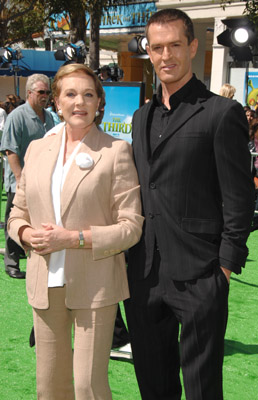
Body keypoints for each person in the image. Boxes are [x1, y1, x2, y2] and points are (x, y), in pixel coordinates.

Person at [125, 8, 255, 400]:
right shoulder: (139, 117)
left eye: (175, 46)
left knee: (202, 389)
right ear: (149, 51)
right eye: (158, 47)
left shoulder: (221, 113)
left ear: (193, 47)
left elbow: (239, 198)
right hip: (144, 274)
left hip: (201, 274)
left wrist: (225, 270)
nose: (166, 56)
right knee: (153, 385)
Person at [8, 63, 143, 399]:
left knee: (87, 387)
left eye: (87, 94)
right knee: (49, 387)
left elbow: (131, 227)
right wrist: (26, 235)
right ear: (56, 102)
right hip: (45, 282)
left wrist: (73, 238)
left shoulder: (116, 152)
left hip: (96, 285)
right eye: (70, 94)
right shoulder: (37, 150)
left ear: (100, 102)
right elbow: (16, 215)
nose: (78, 102)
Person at [0, 74, 54, 279]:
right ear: (29, 93)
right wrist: (20, 180)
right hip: (20, 183)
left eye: (48, 92)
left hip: (43, 182)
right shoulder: (17, 116)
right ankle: (12, 262)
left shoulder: (48, 116)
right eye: (41, 92)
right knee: (15, 221)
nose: (46, 96)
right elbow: (10, 151)